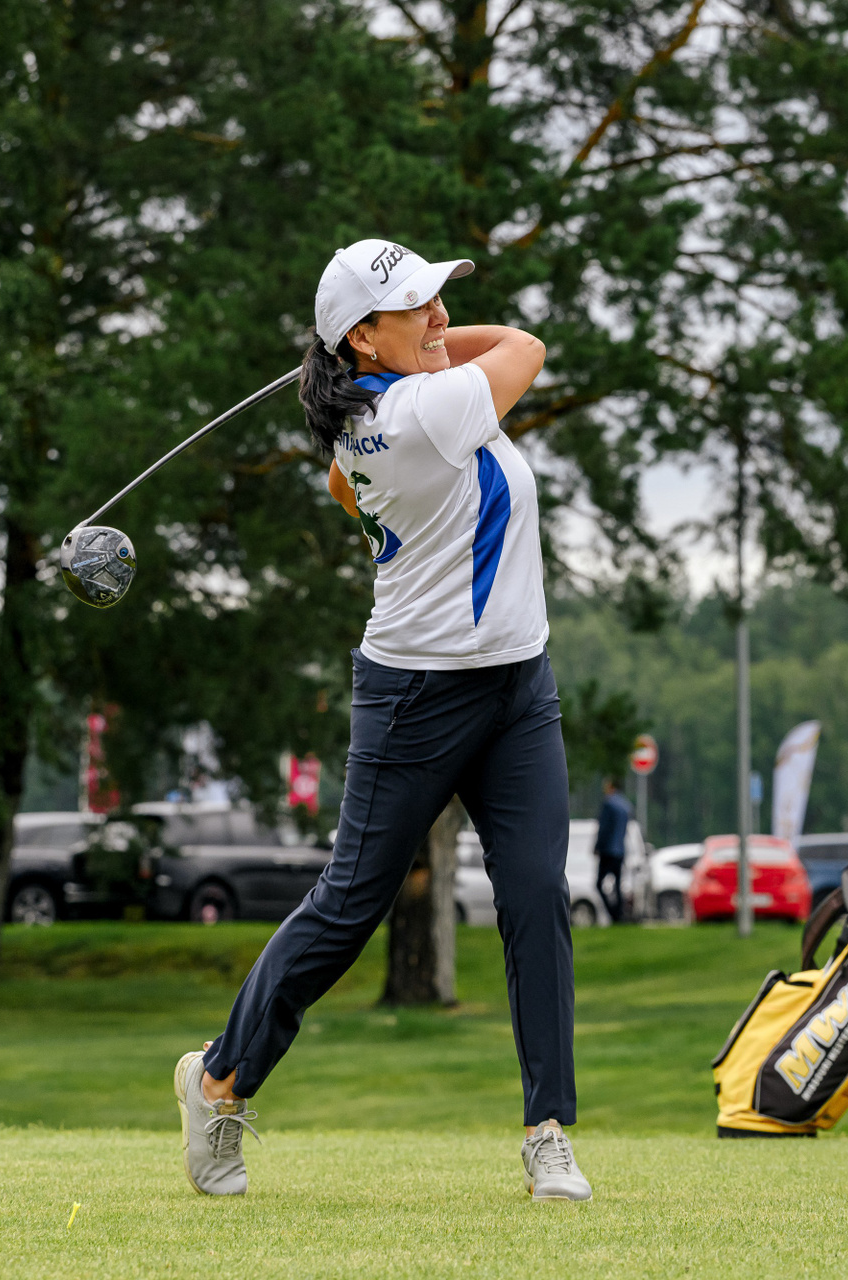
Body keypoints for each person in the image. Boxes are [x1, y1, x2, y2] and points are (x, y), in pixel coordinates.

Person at [172, 238, 590, 1201]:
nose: (441, 316)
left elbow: (340, 485)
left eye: (441, 300)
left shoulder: (386, 413)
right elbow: (525, 346)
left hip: (516, 686)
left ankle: (548, 1132)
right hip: (415, 696)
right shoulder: (424, 410)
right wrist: (429, 355)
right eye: (419, 306)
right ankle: (220, 1080)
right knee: (349, 904)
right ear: (362, 336)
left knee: (536, 897)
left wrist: (397, 351)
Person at [594, 778, 632, 924]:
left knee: (599, 884)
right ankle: (619, 914)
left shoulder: (608, 803)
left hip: (608, 850)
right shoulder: (625, 805)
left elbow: (604, 828)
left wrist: (597, 846)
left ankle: (613, 913)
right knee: (617, 884)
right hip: (620, 850)